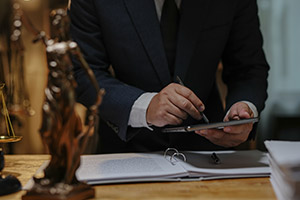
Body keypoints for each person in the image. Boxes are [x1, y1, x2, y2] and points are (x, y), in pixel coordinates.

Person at [69, 0, 269, 153]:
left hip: (208, 153)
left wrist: (245, 109)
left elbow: (249, 68)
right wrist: (145, 106)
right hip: (123, 152)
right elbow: (82, 73)